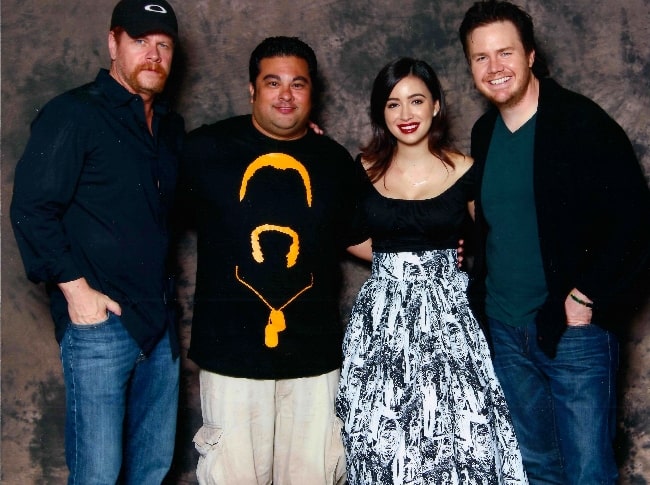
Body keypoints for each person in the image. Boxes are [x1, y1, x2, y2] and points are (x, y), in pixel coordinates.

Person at [458, 2, 650, 483]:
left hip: (572, 331)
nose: (494, 67)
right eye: (481, 57)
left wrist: (586, 297)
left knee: (587, 472)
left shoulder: (581, 124)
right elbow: (506, 219)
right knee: (538, 468)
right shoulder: (484, 133)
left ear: (531, 55)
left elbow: (637, 221)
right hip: (505, 328)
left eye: (505, 52)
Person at [10, 0, 184, 482]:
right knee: (98, 475)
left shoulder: (170, 128)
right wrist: (75, 290)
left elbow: (205, 182)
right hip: (101, 326)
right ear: (113, 43)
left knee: (151, 470)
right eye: (140, 41)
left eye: (163, 44)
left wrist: (294, 142)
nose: (153, 54)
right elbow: (30, 209)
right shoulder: (73, 113)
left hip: (160, 324)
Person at [335, 57, 528, 484]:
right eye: (393, 104)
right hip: (381, 324)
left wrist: (445, 262)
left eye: (416, 100)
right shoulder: (363, 168)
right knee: (380, 444)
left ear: (436, 105)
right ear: (380, 113)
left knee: (461, 441)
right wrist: (398, 262)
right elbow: (344, 233)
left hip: (449, 319)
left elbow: (492, 241)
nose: (405, 115)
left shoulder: (466, 170)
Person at [180, 36, 356, 484]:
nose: (285, 95)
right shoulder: (205, 150)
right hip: (231, 358)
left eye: (297, 84)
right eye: (272, 82)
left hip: (314, 361)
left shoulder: (334, 161)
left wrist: (432, 248)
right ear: (251, 89)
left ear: (312, 93)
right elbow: (145, 214)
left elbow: (362, 236)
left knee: (315, 476)